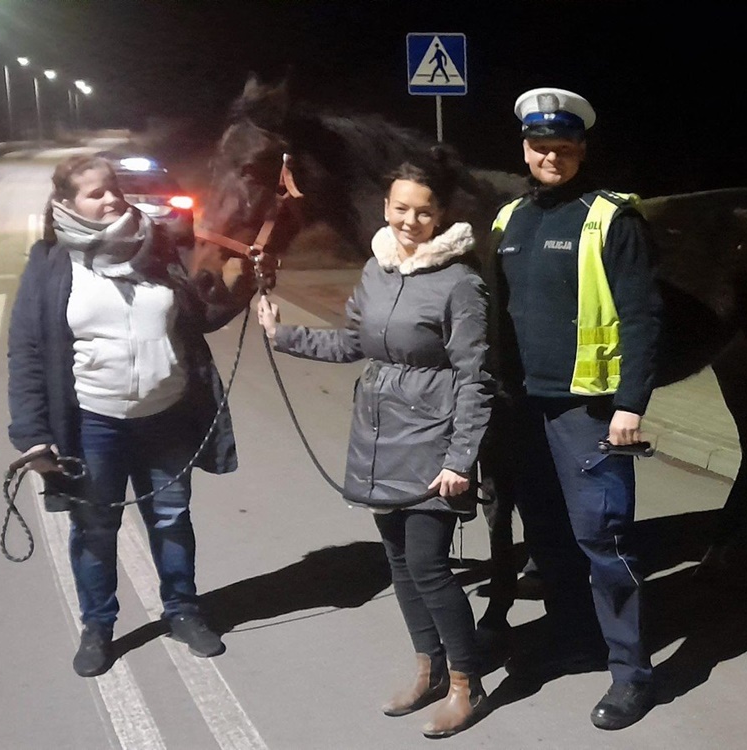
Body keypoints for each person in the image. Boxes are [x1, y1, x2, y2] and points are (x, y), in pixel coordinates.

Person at [257, 156, 494, 739]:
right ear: (387, 208)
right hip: (379, 434)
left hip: (434, 439)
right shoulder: (377, 269)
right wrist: (282, 334)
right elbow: (351, 344)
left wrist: (460, 459)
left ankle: (468, 682)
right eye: (400, 208)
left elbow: (476, 377)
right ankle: (428, 668)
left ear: (441, 215)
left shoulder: (460, 283)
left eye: (424, 210)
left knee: (430, 566)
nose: (411, 220)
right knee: (399, 566)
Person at [7, 155, 256, 677]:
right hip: (93, 423)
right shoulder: (51, 263)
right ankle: (98, 627)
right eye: (96, 193)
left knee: (170, 520)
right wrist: (32, 434)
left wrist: (246, 285)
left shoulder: (157, 247)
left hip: (166, 415)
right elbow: (27, 351)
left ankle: (183, 611)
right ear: (65, 204)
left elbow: (198, 315)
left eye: (113, 189)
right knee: (96, 528)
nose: (112, 198)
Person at [488, 87, 663, 730]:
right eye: (540, 146)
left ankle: (633, 674)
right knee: (551, 538)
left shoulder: (612, 218)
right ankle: (575, 640)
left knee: (604, 540)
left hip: (588, 413)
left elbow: (644, 318)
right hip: (523, 410)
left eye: (563, 146)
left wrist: (630, 404)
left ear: (581, 149)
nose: (550, 156)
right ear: (525, 149)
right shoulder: (509, 220)